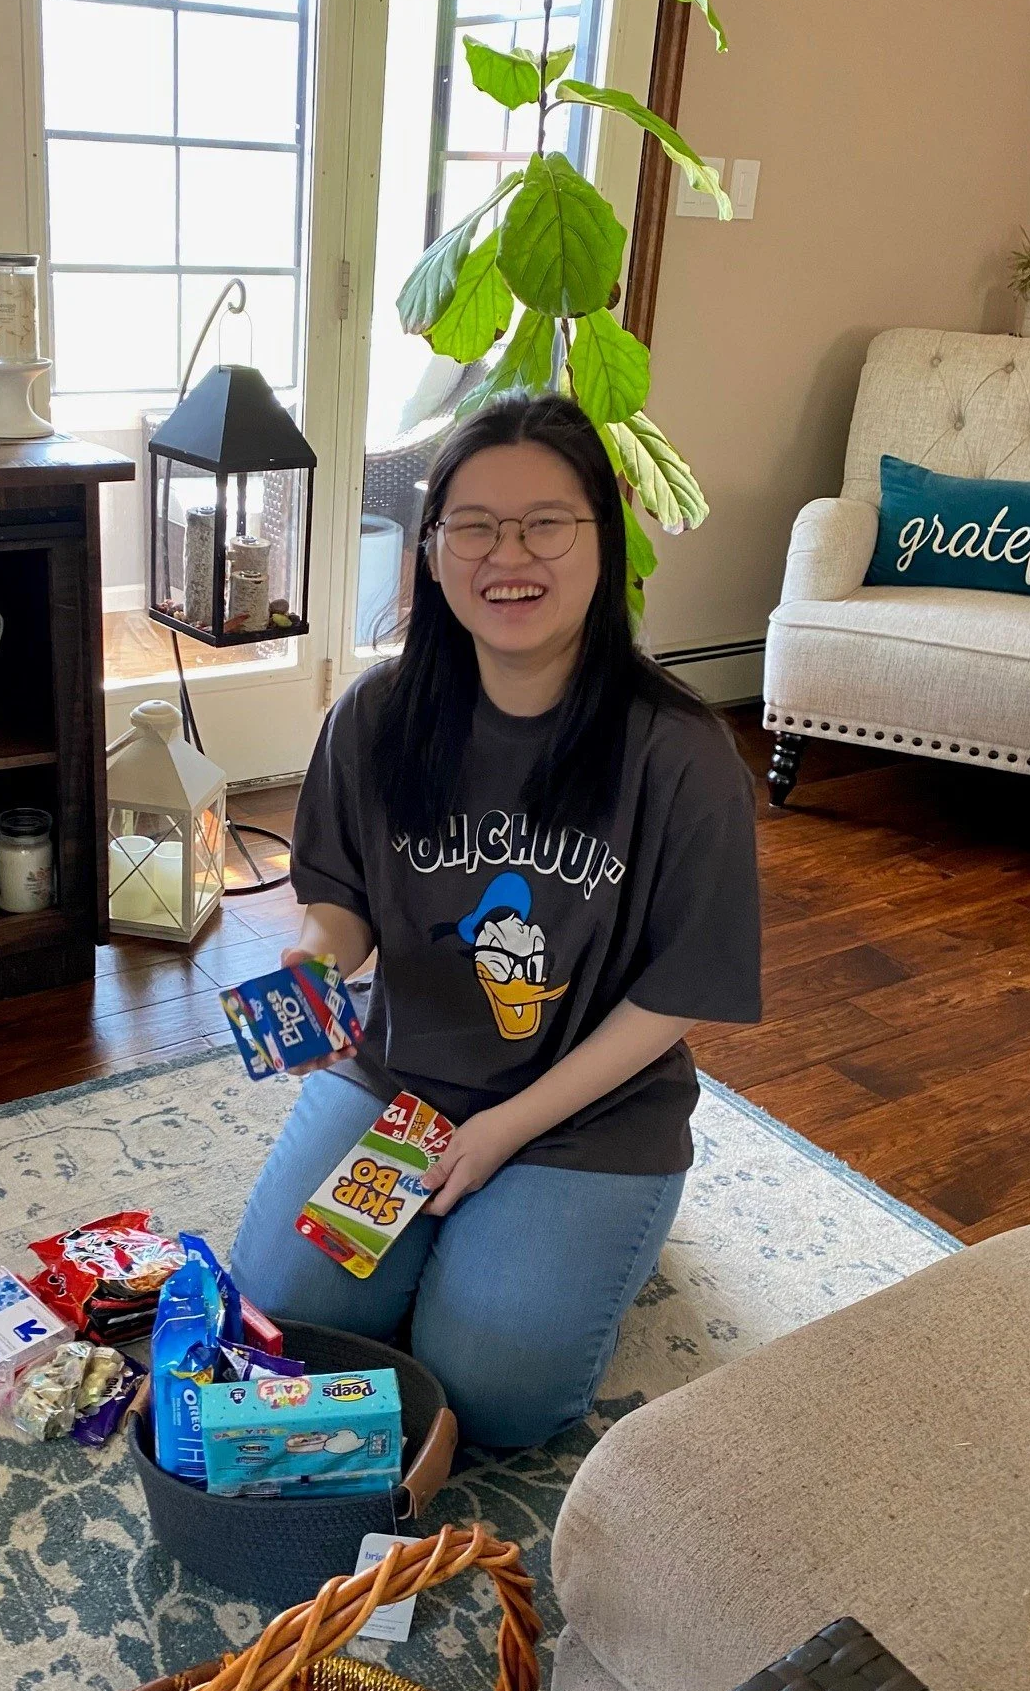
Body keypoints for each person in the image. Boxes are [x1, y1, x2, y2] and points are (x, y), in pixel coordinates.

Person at [229, 393, 762, 1449]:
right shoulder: (375, 718)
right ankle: (487, 1240)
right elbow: (340, 904)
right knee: (290, 1326)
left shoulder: (681, 753)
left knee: (493, 1396)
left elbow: (676, 990)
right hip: (404, 1085)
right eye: (473, 524)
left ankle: (601, 1227)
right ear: (432, 552)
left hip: (589, 1114)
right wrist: (313, 965)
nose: (507, 555)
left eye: (546, 523)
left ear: (602, 544)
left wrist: (504, 1133)